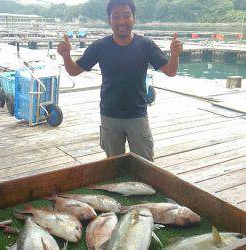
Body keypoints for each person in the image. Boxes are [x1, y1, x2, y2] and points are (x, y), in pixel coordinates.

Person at [57, 0, 182, 161]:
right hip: (109, 116)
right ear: (109, 20)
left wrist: (175, 56)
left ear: (134, 18)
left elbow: (170, 71)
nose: (121, 21)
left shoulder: (146, 45)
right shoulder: (99, 46)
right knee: (113, 166)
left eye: (126, 16)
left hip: (137, 115)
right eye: (116, 16)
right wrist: (66, 56)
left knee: (145, 164)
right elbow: (74, 71)